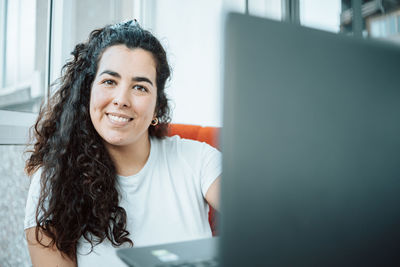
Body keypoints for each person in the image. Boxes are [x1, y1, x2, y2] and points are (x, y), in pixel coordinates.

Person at [24, 20, 221, 267]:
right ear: (88, 92)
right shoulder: (52, 181)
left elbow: (264, 220)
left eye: (139, 87)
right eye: (109, 81)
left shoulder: (199, 159)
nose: (121, 99)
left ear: (158, 105)